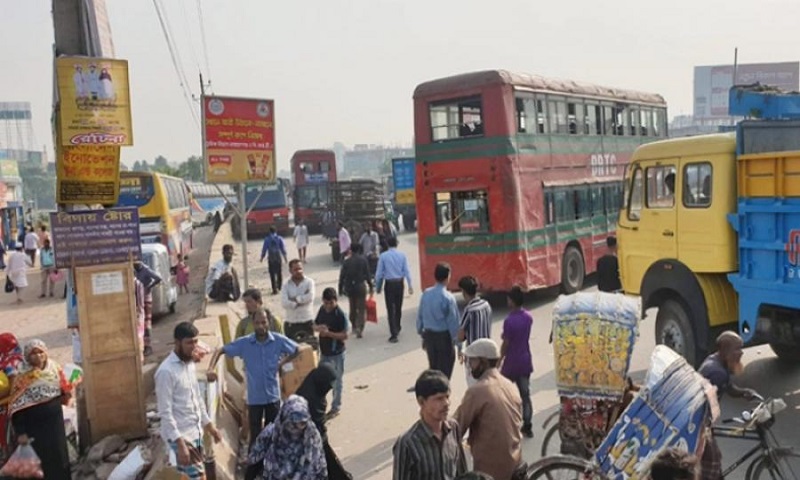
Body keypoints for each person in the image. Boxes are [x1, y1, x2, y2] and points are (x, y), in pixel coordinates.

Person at [207, 310, 298, 448]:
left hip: (273, 397)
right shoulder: (245, 343)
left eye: (263, 322)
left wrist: (281, 363)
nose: (261, 326)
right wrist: (210, 369)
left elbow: (296, 349)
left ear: (269, 322)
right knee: (255, 435)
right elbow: (221, 350)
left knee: (273, 433)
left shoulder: (278, 340)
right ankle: (255, 466)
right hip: (255, 398)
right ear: (252, 324)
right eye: (257, 323)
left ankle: (270, 464)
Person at [156, 323, 222, 479]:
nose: (193, 346)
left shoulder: (189, 364)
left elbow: (197, 399)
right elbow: (165, 412)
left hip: (195, 432)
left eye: (195, 342)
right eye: (189, 342)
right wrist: (180, 444)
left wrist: (210, 427)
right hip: (181, 435)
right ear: (177, 343)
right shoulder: (166, 372)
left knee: (185, 477)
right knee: (199, 477)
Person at [454, 339, 523, 480]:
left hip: (491, 470)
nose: (469, 366)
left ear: (483, 362)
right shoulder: (508, 384)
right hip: (516, 461)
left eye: (472, 362)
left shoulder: (477, 391)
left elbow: (456, 428)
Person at [9, 339, 72, 480]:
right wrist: (21, 432)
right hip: (34, 429)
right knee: (40, 462)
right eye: (33, 353)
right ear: (26, 356)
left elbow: (63, 391)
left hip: (55, 425)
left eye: (40, 352)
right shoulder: (22, 377)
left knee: (59, 458)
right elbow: (16, 406)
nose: (38, 356)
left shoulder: (55, 368)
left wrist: (67, 393)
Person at [698, 331, 758, 480]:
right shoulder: (717, 372)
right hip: (699, 424)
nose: (741, 352)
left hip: (703, 421)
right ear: (725, 350)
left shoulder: (717, 360)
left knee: (714, 458)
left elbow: (729, 388)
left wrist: (744, 392)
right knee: (712, 463)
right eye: (737, 349)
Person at [393, 370, 467, 480]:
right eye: (439, 399)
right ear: (421, 401)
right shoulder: (407, 443)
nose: (446, 403)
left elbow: (462, 474)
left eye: (447, 397)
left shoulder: (453, 429)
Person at [246, 395, 327, 480]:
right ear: (284, 418)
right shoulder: (271, 434)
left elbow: (320, 467)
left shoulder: (312, 436)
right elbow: (254, 462)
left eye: (302, 424)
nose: (297, 429)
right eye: (292, 423)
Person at [500, 286, 534, 438]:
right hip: (525, 359)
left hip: (511, 362)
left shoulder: (509, 321)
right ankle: (527, 425)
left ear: (512, 301)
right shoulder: (528, 317)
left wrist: (499, 359)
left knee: (504, 393)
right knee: (525, 395)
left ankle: (507, 423)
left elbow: (506, 343)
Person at [417, 262, 460, 379]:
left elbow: (420, 316)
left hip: (430, 336)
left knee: (433, 367)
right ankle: (443, 393)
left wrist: (422, 333)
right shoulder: (448, 297)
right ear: (448, 277)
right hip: (443, 338)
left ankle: (434, 394)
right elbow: (453, 323)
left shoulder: (426, 294)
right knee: (445, 371)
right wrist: (459, 344)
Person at [314, 288, 349, 418]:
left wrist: (329, 334)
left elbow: (345, 335)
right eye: (326, 303)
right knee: (321, 381)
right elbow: (314, 324)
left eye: (331, 303)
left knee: (337, 381)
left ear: (335, 301)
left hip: (337, 353)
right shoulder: (322, 310)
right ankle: (320, 406)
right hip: (324, 352)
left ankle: (336, 407)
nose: (328, 306)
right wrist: (319, 328)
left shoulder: (340, 315)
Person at [375, 237, 414, 343]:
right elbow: (407, 271)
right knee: (398, 306)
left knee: (390, 308)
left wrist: (377, 285)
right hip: (399, 284)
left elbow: (379, 273)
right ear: (397, 244)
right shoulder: (402, 255)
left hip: (389, 284)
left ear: (387, 244)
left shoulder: (383, 256)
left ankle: (393, 333)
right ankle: (397, 326)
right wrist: (410, 285)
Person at [457, 275, 492, 387]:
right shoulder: (486, 305)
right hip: (487, 352)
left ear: (463, 292)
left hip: (474, 354)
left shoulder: (469, 310)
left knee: (474, 386)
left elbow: (460, 336)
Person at [338, 243, 373, 338]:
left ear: (351, 250)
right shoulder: (363, 260)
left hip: (350, 287)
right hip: (361, 286)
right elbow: (368, 275)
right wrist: (371, 287)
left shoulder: (347, 261)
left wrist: (340, 288)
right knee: (361, 308)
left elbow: (342, 276)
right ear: (359, 250)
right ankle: (359, 328)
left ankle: (353, 325)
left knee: (352, 307)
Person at [295, 363, 338, 441]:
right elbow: (317, 424)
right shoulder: (312, 400)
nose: (330, 387)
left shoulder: (310, 386)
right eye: (328, 383)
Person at [281, 259, 316, 342]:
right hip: (291, 323)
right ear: (290, 271)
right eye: (296, 269)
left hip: (307, 322)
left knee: (309, 351)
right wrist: (301, 300)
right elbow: (284, 303)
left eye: (300, 268)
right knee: (292, 352)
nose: (299, 271)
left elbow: (310, 297)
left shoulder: (309, 282)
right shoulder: (286, 284)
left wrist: (294, 299)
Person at [134, 260, 162, 357]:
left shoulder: (145, 270)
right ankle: (142, 345)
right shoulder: (134, 270)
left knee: (147, 323)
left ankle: (148, 346)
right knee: (139, 323)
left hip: (146, 299)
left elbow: (158, 278)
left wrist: (147, 287)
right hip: (137, 300)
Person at [261, 227, 288, 295]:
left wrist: (262, 257)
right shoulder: (279, 238)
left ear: (269, 232)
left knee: (272, 273)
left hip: (271, 257)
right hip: (278, 257)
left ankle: (274, 289)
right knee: (279, 272)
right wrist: (285, 258)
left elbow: (264, 249)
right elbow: (283, 249)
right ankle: (279, 287)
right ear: (276, 231)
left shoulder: (267, 239)